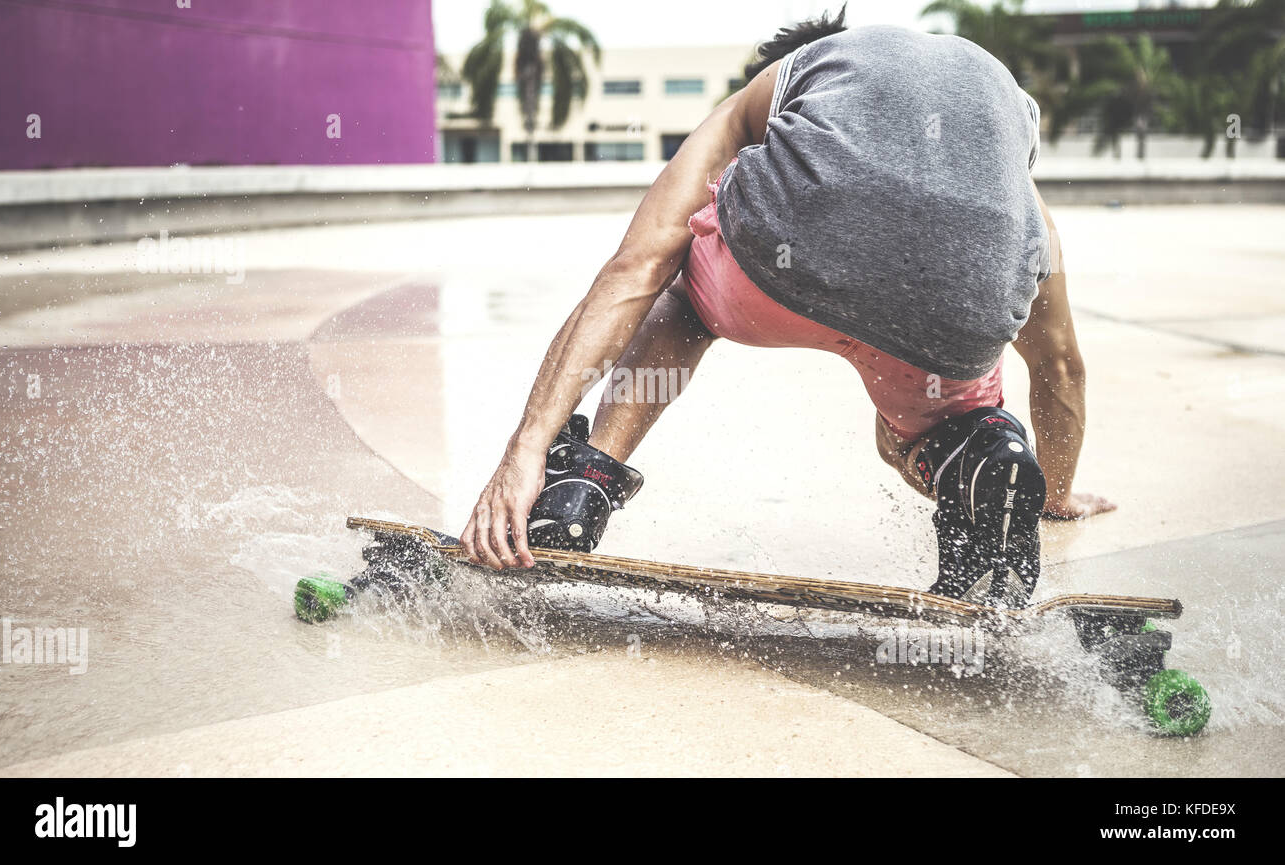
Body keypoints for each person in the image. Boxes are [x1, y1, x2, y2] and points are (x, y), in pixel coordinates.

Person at [459, 11, 1115, 605]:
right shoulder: (1002, 149)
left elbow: (636, 267)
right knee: (941, 426)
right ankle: (970, 459)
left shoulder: (781, 78)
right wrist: (1053, 495)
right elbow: (1061, 365)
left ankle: (586, 480)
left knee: (680, 289)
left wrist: (526, 449)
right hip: (957, 308)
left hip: (769, 279)